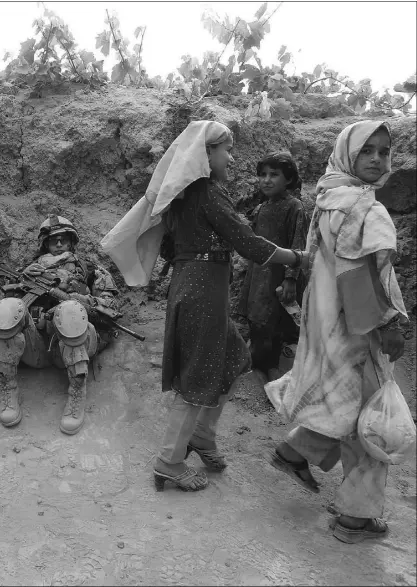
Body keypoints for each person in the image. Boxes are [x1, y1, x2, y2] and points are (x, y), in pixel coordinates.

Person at [101, 120, 309, 492]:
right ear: (206, 154)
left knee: (233, 357)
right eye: (225, 149)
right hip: (202, 293)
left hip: (194, 287)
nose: (230, 157)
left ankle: (202, 436)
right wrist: (300, 258)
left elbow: (172, 246)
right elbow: (248, 244)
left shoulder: (183, 196)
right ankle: (169, 460)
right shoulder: (208, 192)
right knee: (198, 375)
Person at [265, 121, 408, 544]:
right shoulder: (365, 207)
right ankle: (355, 519)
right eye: (369, 151)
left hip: (327, 325)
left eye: (384, 151)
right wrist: (389, 327)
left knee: (343, 406)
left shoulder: (329, 196)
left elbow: (319, 262)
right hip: (358, 330)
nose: (378, 160)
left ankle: (293, 452)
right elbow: (358, 277)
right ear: (350, 154)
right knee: (370, 424)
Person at [0, 214, 120, 435]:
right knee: (7, 306)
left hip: (71, 348)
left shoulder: (91, 270)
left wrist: (76, 297)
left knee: (69, 311)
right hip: (34, 348)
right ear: (45, 243)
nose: (59, 243)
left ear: (72, 241)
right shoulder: (29, 270)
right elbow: (7, 316)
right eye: (54, 240)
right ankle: (8, 388)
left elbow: (111, 309)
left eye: (63, 239)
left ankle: (77, 392)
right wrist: (23, 281)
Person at [237, 152, 308, 382]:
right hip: (258, 274)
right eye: (263, 175)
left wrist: (290, 278)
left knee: (276, 321)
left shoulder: (295, 208)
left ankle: (272, 366)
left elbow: (298, 244)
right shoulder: (261, 208)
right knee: (257, 317)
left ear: (288, 179)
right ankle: (256, 358)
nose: (266, 180)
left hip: (279, 275)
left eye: (274, 175)